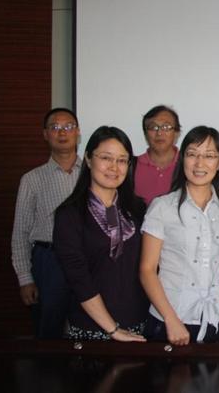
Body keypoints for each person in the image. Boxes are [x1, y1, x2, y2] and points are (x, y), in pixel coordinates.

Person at [140, 126, 219, 345]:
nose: (199, 163)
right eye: (192, 154)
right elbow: (147, 270)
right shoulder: (162, 206)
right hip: (171, 318)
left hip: (217, 318)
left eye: (209, 156)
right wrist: (171, 319)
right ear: (182, 158)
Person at [53, 126, 148, 342]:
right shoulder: (69, 215)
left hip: (139, 321)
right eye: (106, 158)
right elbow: (79, 278)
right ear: (88, 159)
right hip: (91, 327)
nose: (114, 167)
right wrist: (113, 330)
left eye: (122, 160)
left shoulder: (138, 210)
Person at [11, 108, 82, 339]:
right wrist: (25, 278)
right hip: (49, 260)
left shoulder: (94, 175)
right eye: (55, 127)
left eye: (68, 126)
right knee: (48, 330)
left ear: (78, 132)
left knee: (88, 325)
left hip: (87, 258)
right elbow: (20, 232)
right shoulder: (32, 179)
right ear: (45, 134)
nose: (62, 132)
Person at [134, 105, 181, 205]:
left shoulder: (188, 164)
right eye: (153, 127)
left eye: (166, 127)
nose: (159, 133)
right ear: (145, 134)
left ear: (177, 133)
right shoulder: (131, 166)